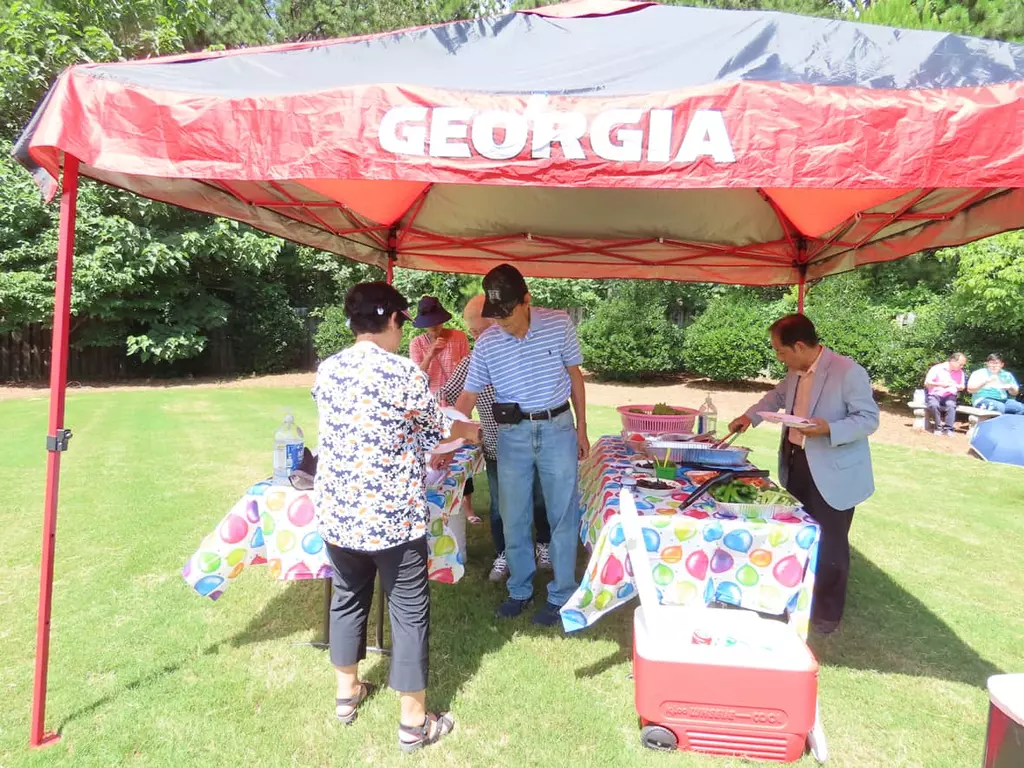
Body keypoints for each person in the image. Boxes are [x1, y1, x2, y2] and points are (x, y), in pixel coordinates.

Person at [312, 282, 479, 753]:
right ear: (393, 321)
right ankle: (413, 723)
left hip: (339, 513)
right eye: (403, 322)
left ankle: (346, 697)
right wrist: (471, 432)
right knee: (408, 612)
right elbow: (436, 431)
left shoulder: (327, 369)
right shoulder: (403, 373)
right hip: (392, 518)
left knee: (346, 599)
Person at [455, 264, 589, 627]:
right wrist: (448, 436)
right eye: (494, 316)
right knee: (514, 516)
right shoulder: (487, 342)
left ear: (526, 300)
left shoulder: (559, 323)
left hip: (558, 427)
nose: (501, 322)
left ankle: (562, 593)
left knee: (563, 514)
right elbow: (467, 395)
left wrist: (582, 430)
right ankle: (520, 589)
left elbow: (575, 377)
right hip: (512, 435)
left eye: (507, 313)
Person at [729, 314, 879, 636]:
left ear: (799, 346)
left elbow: (868, 420)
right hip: (796, 463)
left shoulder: (848, 372)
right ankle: (791, 598)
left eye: (780, 352)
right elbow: (778, 396)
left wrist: (829, 429)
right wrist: (749, 416)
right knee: (794, 534)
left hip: (834, 472)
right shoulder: (795, 370)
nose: (779, 358)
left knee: (830, 543)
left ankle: (825, 614)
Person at [440, 294, 553, 582]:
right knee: (500, 506)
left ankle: (543, 545)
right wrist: (453, 438)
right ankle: (503, 552)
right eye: (472, 332)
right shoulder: (470, 363)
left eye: (479, 330)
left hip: (534, 443)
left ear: (497, 322)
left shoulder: (524, 354)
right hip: (495, 447)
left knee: (539, 500)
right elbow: (452, 399)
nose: (475, 337)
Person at [408, 295, 470, 399]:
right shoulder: (416, 343)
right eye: (430, 323)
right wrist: (429, 355)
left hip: (457, 397)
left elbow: (467, 368)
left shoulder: (459, 337)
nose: (435, 326)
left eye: (437, 322)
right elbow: (416, 377)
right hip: (430, 399)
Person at [924, 352, 967, 436]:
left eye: (963, 365)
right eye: (960, 364)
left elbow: (962, 386)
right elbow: (927, 383)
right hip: (935, 393)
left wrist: (960, 387)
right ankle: (938, 427)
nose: (962, 367)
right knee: (934, 404)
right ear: (953, 361)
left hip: (950, 394)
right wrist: (940, 384)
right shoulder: (937, 368)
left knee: (951, 405)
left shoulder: (960, 372)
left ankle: (948, 429)